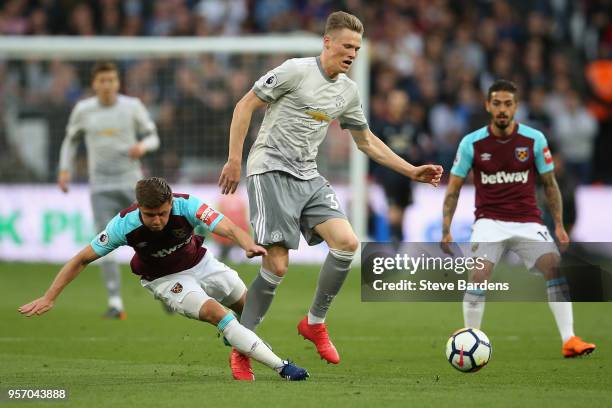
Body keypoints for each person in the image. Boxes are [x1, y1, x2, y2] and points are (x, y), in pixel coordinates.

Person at [218, 11, 443, 379]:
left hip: (308, 175)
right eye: (346, 45)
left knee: (347, 242)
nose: (353, 53)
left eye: (357, 47)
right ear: (327, 42)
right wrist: (233, 159)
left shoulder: (348, 91)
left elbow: (366, 141)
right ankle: (245, 345)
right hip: (270, 170)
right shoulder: (295, 71)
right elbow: (244, 106)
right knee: (276, 266)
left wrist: (411, 170)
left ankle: (314, 322)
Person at [18, 177, 309, 382]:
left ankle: (239, 349)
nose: (157, 220)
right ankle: (282, 366)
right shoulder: (123, 225)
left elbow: (228, 226)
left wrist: (247, 243)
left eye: (162, 213)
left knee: (250, 306)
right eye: (150, 215)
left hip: (201, 262)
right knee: (216, 313)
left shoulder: (187, 205)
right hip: (165, 279)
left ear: (171, 202)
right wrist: (49, 296)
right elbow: (81, 259)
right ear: (139, 208)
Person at [441, 79, 596, 358]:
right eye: (497, 103)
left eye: (508, 104)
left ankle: (569, 339)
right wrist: (446, 229)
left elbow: (550, 184)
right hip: (489, 221)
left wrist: (559, 224)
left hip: (528, 221)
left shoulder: (534, 140)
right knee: (480, 273)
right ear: (488, 105)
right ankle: (469, 337)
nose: (502, 109)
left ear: (516, 107)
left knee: (553, 266)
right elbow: (452, 190)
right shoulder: (471, 143)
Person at [58, 61, 160, 319]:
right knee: (103, 243)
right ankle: (115, 301)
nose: (107, 85)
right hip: (100, 186)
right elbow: (70, 141)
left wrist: (142, 147)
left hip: (132, 184)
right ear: (94, 84)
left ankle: (168, 286)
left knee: (154, 237)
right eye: (102, 80)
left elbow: (153, 136)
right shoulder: (83, 110)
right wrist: (64, 169)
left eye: (111, 80)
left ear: (117, 82)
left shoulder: (132, 106)